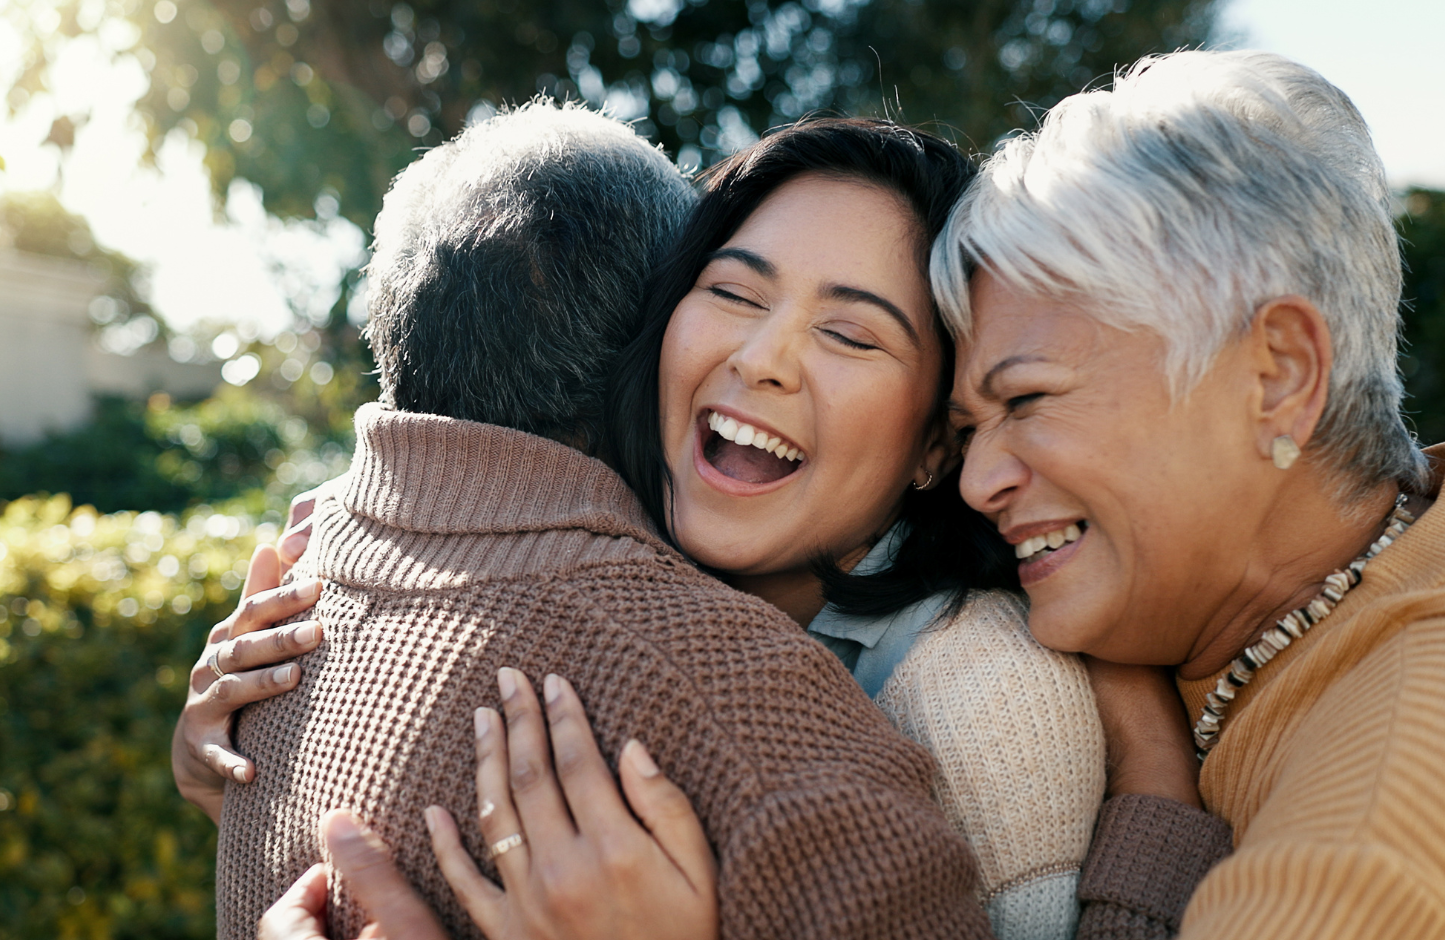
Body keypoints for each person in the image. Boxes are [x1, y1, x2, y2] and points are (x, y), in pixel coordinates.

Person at [189, 103, 1230, 940]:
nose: (765, 358)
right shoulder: (583, 591)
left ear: (933, 443)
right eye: (733, 292)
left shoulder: (986, 699)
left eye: (851, 335)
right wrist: (243, 751)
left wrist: (1154, 796)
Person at [934, 49, 1445, 938]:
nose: (978, 481)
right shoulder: (1430, 545)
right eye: (968, 429)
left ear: (1278, 376)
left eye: (1027, 399)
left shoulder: (1388, 826)